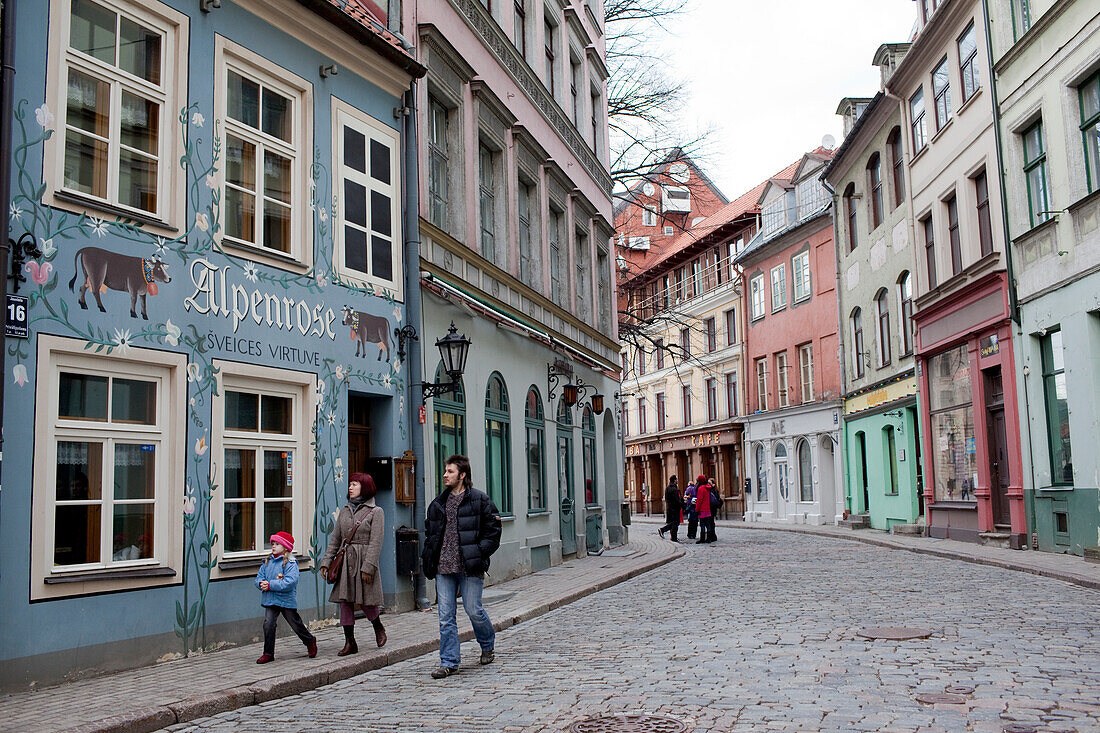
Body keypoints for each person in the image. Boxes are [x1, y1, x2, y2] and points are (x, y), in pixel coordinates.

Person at [421, 454, 502, 679]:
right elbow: (431, 534)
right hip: (443, 568)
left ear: (462, 475)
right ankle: (449, 661)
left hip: (469, 567)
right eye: (445, 471)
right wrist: (429, 558)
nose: (445, 475)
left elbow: (493, 532)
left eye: (450, 472)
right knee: (445, 616)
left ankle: (487, 644)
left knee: (473, 610)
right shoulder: (438, 503)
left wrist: (478, 553)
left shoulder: (480, 500)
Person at [320, 472, 387, 656]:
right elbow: (335, 539)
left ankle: (378, 626)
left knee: (366, 601)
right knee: (345, 602)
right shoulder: (345, 510)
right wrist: (326, 562)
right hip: (345, 561)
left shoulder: (376, 512)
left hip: (363, 560)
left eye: (355, 484)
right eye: (350, 484)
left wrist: (369, 567)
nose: (350, 487)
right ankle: (350, 642)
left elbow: (376, 542)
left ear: (365, 487)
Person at [254, 531, 317, 663]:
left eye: (277, 544)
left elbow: (290, 582)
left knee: (295, 624)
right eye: (273, 544)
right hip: (270, 599)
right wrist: (261, 583)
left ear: (285, 547)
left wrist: (270, 585)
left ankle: (309, 640)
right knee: (268, 624)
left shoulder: (290, 563)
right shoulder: (267, 562)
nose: (273, 546)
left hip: (285, 599)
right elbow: (259, 577)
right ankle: (268, 653)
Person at [657, 475, 682, 541]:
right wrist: (682, 505)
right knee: (675, 523)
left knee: (673, 523)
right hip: (675, 508)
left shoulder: (668, 488)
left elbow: (666, 498)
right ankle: (663, 529)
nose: (677, 481)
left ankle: (674, 538)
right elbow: (677, 500)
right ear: (674, 480)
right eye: (676, 479)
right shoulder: (674, 489)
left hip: (669, 508)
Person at [695, 474, 716, 544]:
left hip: (702, 509)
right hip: (708, 508)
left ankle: (703, 538)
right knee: (708, 524)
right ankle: (709, 538)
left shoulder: (701, 488)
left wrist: (697, 509)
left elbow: (699, 500)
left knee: (702, 524)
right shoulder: (708, 488)